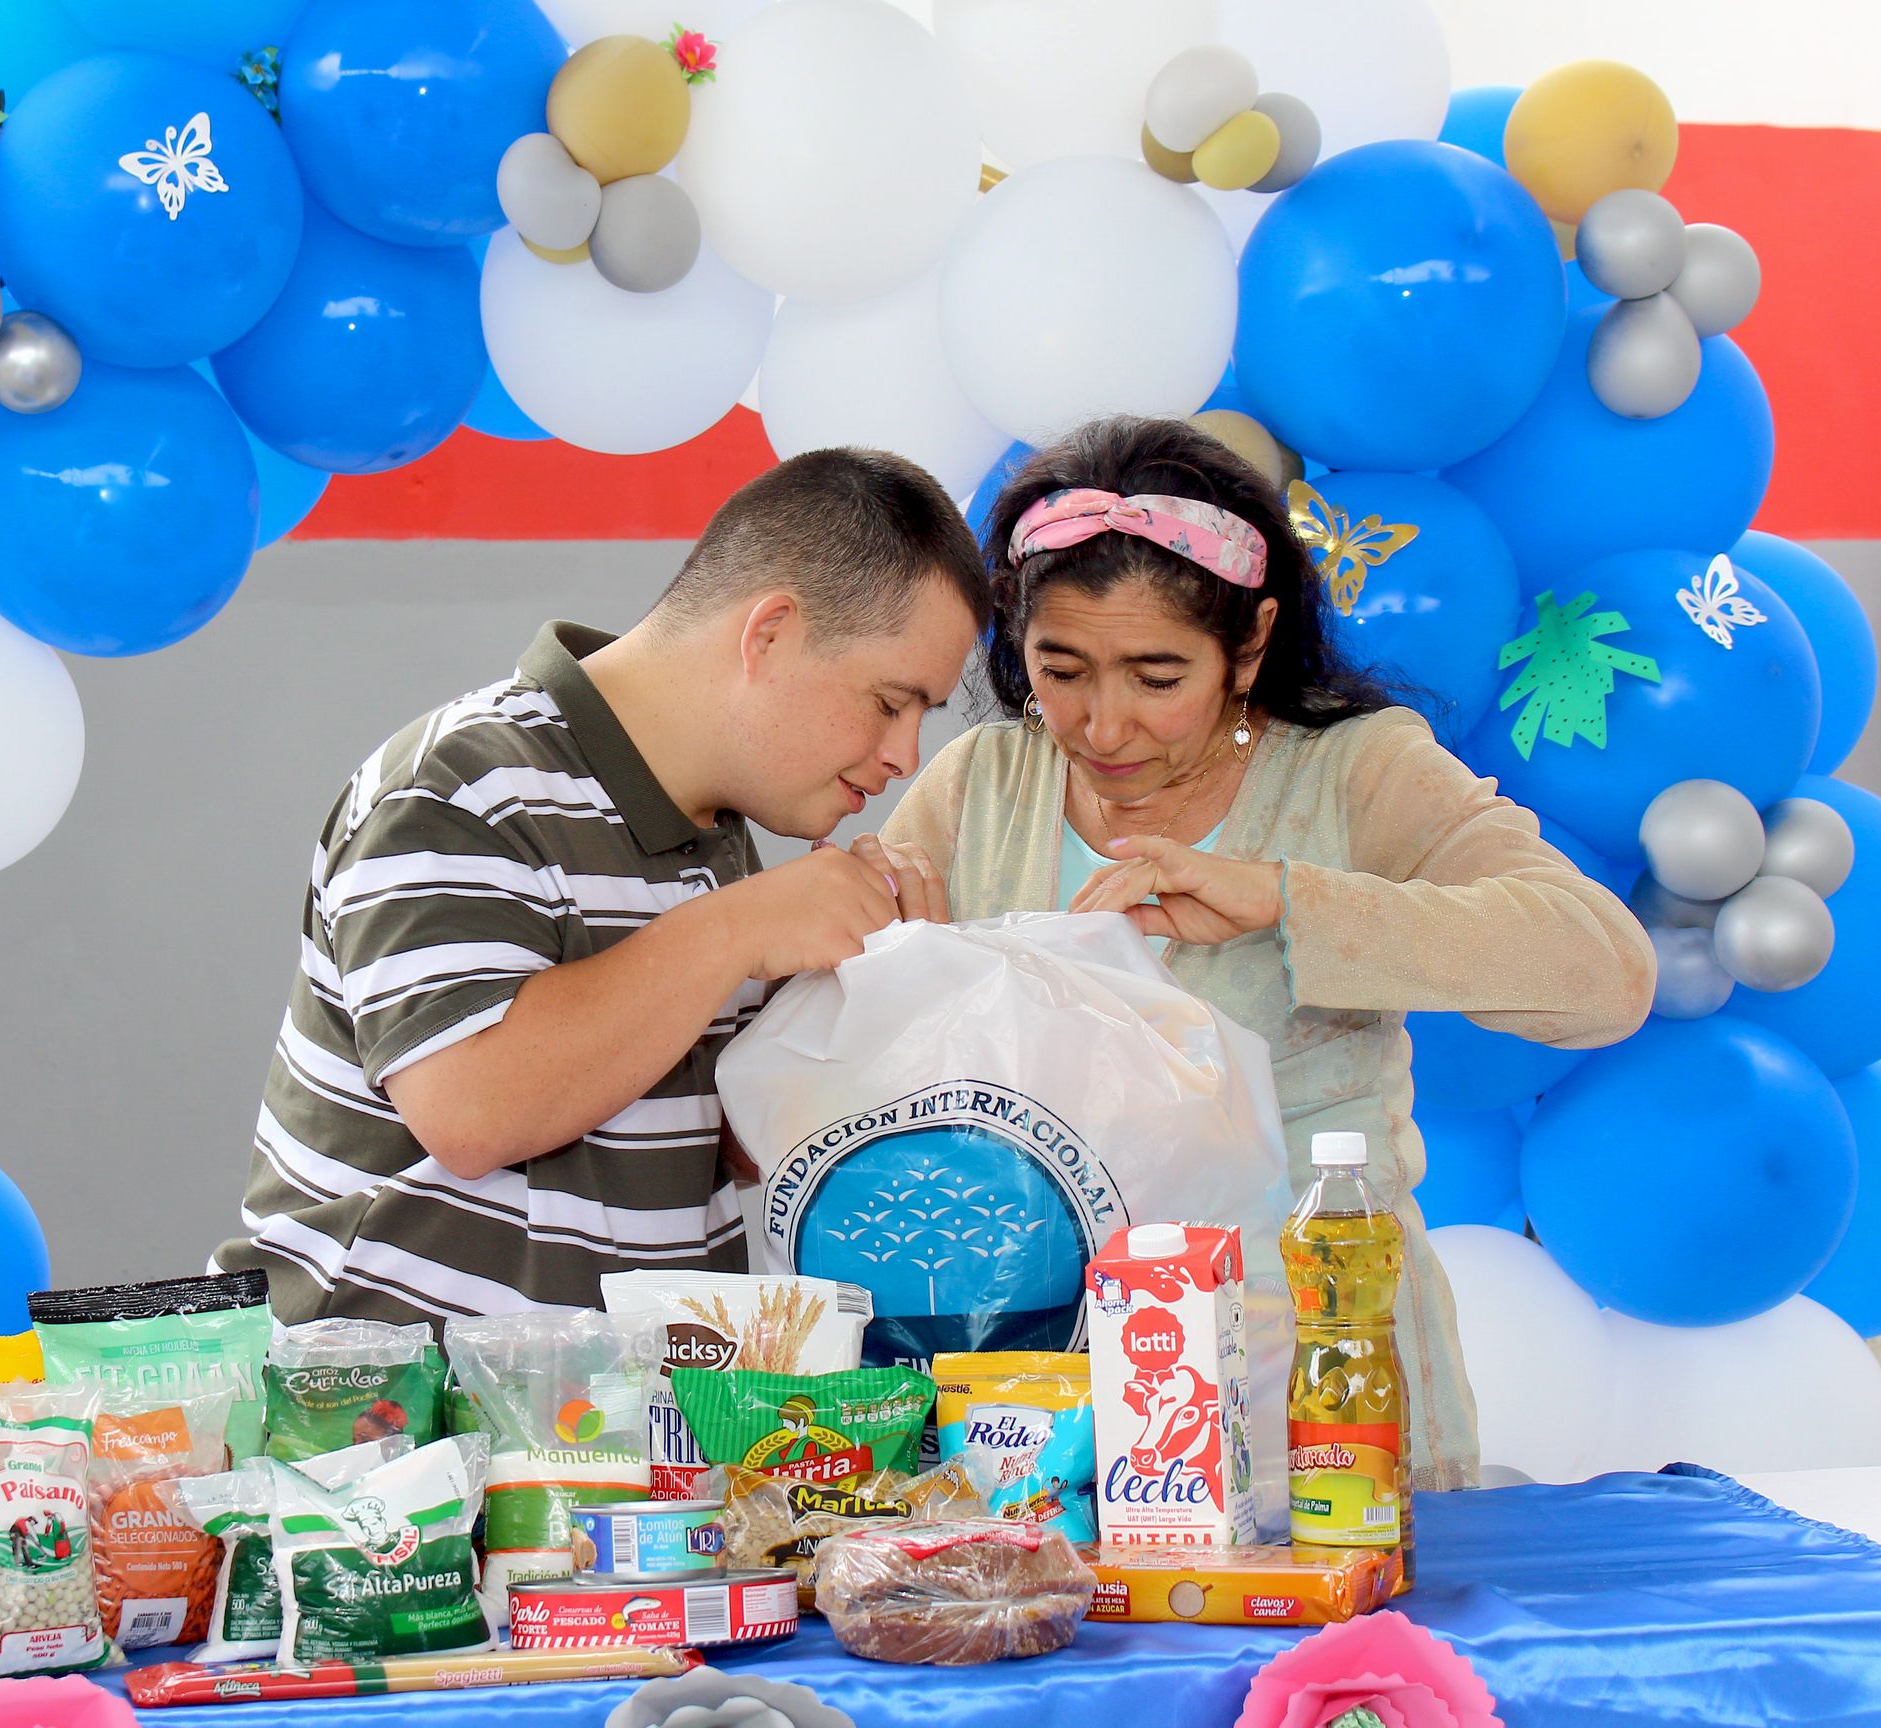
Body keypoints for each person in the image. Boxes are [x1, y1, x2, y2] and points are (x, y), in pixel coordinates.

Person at [876, 416, 1656, 1490]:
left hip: (1320, 1372)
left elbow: (1604, 975)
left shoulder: (1354, 773)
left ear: (1249, 646)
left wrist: (1291, 904)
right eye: (1061, 671)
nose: (1102, 726)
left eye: (1158, 678)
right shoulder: (982, 784)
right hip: (1038, 1390)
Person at [217, 448, 990, 1325]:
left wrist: (856, 1006)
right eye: (892, 702)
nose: (904, 757)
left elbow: (727, 1148)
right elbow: (473, 1110)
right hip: (384, 1433)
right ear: (769, 632)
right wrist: (737, 929)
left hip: (602, 1436)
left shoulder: (719, 838)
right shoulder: (462, 783)